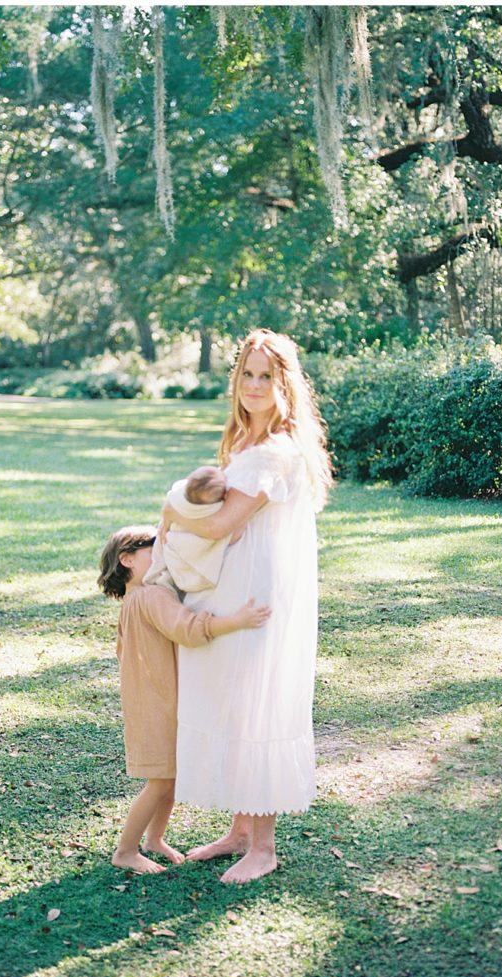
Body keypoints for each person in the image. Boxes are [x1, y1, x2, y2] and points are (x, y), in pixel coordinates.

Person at [160, 328, 333, 884]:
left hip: (259, 593)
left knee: (257, 702)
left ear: (285, 385)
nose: (255, 386)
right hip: (230, 587)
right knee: (235, 700)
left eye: (267, 377)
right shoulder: (243, 441)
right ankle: (239, 830)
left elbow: (221, 522)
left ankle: (263, 845)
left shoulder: (275, 451)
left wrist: (167, 511)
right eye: (248, 375)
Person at [97, 525, 271, 874]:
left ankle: (153, 840)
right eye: (155, 549)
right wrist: (237, 620)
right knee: (160, 781)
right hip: (161, 705)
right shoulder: (152, 596)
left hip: (148, 701)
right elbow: (189, 629)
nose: (163, 555)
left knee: (169, 776)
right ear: (127, 559)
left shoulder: (132, 602)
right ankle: (126, 851)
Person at [144, 466, 232, 594]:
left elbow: (173, 498)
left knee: (167, 542)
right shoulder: (216, 509)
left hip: (181, 556)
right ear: (225, 495)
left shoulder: (178, 499)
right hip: (193, 560)